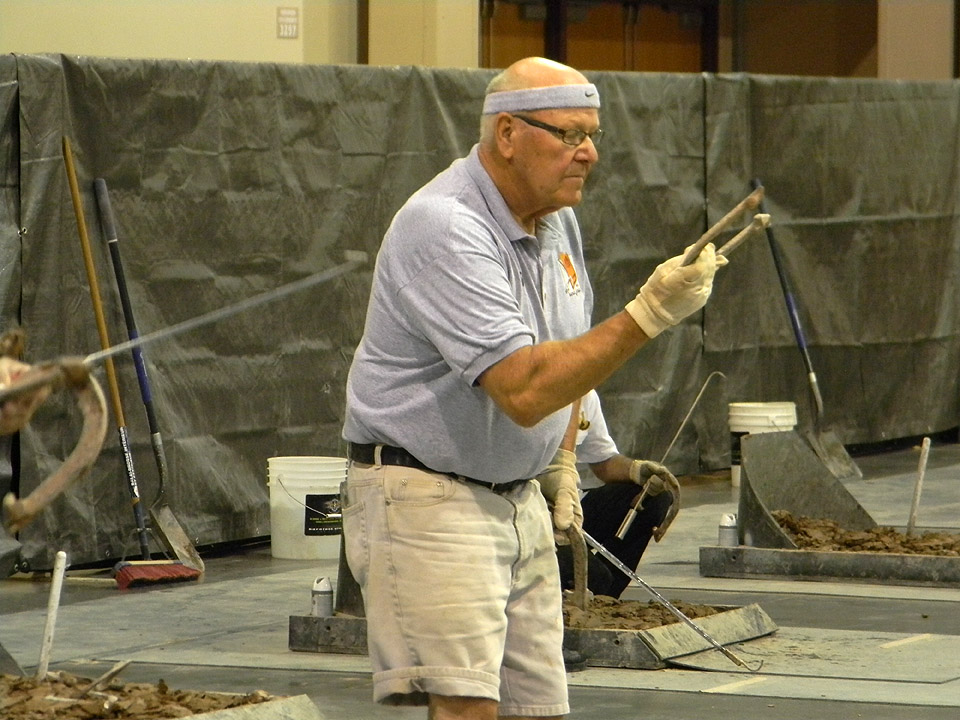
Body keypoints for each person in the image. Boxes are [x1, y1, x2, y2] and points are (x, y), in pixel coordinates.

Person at [341, 56, 724, 720]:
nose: (589, 153)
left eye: (593, 134)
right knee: (467, 708)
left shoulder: (555, 219)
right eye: (569, 134)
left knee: (539, 709)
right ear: (508, 134)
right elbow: (523, 388)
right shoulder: (447, 226)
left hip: (513, 499)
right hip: (429, 496)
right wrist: (650, 315)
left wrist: (597, 460)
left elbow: (566, 354)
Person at [556, 390, 676, 600]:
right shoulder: (531, 391)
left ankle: (605, 600)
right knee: (596, 578)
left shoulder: (585, 395)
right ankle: (584, 586)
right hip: (535, 512)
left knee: (653, 498)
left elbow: (604, 462)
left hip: (571, 506)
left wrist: (637, 470)